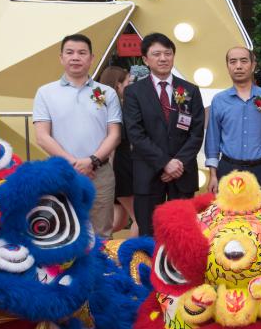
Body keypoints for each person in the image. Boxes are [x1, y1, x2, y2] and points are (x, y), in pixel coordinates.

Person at [32, 34, 122, 238]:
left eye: (82, 53)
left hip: (100, 172)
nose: (75, 57)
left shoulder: (107, 92)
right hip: (62, 172)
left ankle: (100, 260)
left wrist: (91, 161)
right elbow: (42, 137)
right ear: (61, 58)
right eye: (70, 52)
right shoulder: (45, 92)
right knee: (61, 230)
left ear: (91, 58)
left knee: (101, 233)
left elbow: (114, 135)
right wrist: (74, 164)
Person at [122, 33, 206, 236]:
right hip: (148, 173)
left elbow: (196, 132)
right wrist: (164, 163)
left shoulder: (190, 90)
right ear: (145, 59)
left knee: (182, 232)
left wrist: (178, 163)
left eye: (168, 53)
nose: (163, 58)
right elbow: (135, 134)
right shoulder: (134, 92)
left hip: (182, 173)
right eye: (156, 54)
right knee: (149, 233)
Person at [205, 46, 261, 191]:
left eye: (244, 61)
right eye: (233, 62)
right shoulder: (219, 100)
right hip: (229, 170)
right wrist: (213, 175)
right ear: (227, 67)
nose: (238, 66)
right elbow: (213, 138)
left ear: (253, 65)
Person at [97, 66, 137, 236]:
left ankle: (91, 244)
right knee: (141, 219)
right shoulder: (115, 110)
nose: (131, 86)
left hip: (118, 168)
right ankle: (133, 253)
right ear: (118, 85)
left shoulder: (110, 108)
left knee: (117, 222)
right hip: (121, 169)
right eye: (128, 82)